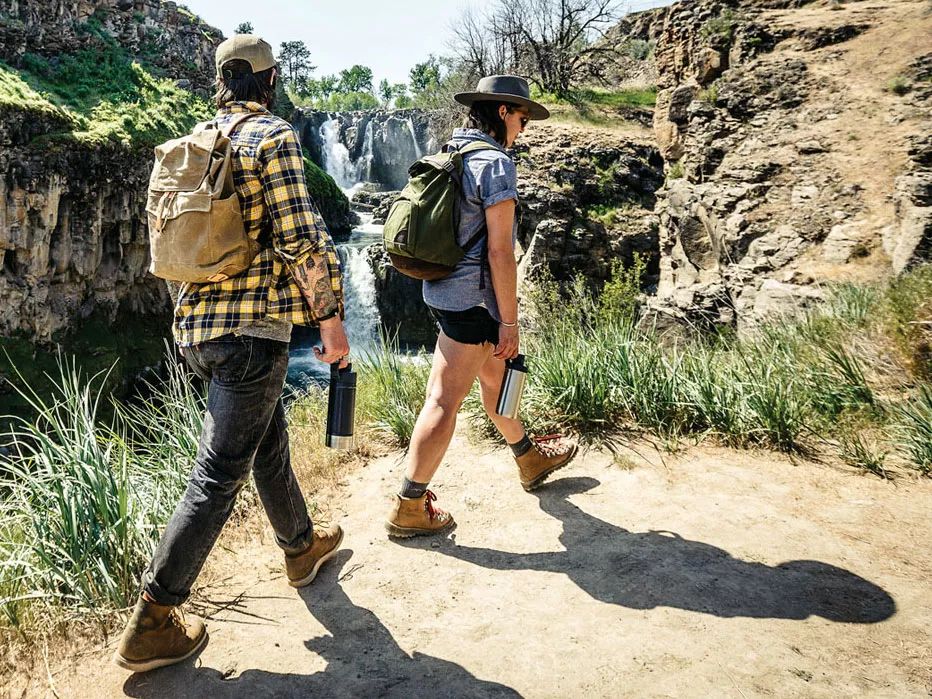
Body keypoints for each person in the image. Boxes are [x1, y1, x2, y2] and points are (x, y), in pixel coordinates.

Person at [114, 35, 348, 672]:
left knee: (265, 438)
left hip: (196, 330)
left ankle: (301, 547)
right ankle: (153, 619)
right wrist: (329, 320)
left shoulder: (195, 141)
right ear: (269, 82)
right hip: (252, 332)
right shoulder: (273, 137)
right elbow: (301, 239)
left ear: (221, 81)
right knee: (218, 474)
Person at [385, 75, 578, 538]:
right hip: (474, 302)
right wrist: (509, 321)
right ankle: (409, 505)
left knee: (497, 376)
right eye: (522, 118)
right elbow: (499, 252)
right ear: (502, 112)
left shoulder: (452, 151)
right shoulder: (495, 163)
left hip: (442, 291)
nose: (524, 128)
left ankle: (528, 457)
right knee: (443, 400)